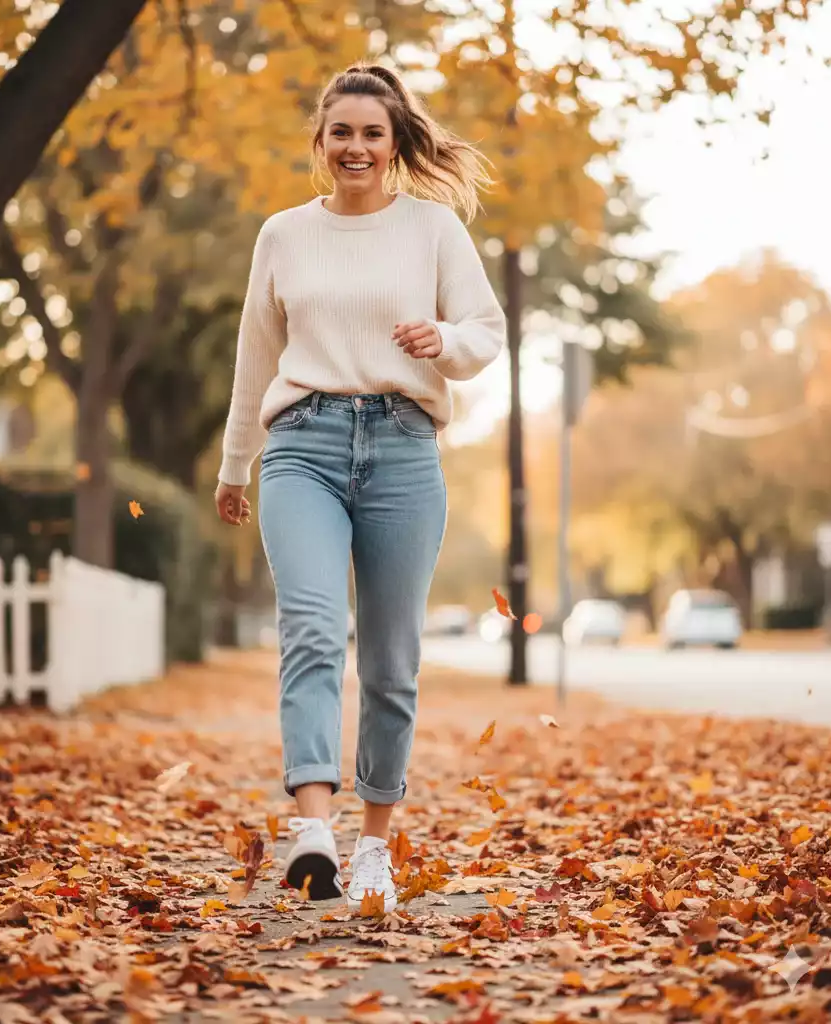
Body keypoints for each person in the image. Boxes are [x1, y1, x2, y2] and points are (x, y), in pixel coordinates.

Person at [214, 62, 505, 912]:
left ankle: (374, 845)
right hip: (302, 445)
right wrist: (235, 465)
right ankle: (312, 828)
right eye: (341, 131)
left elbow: (486, 331)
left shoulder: (433, 228)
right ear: (320, 139)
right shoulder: (283, 235)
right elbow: (255, 358)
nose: (356, 146)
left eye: (372, 133)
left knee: (390, 661)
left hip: (404, 449)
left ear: (394, 142)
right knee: (311, 629)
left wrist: (443, 340)